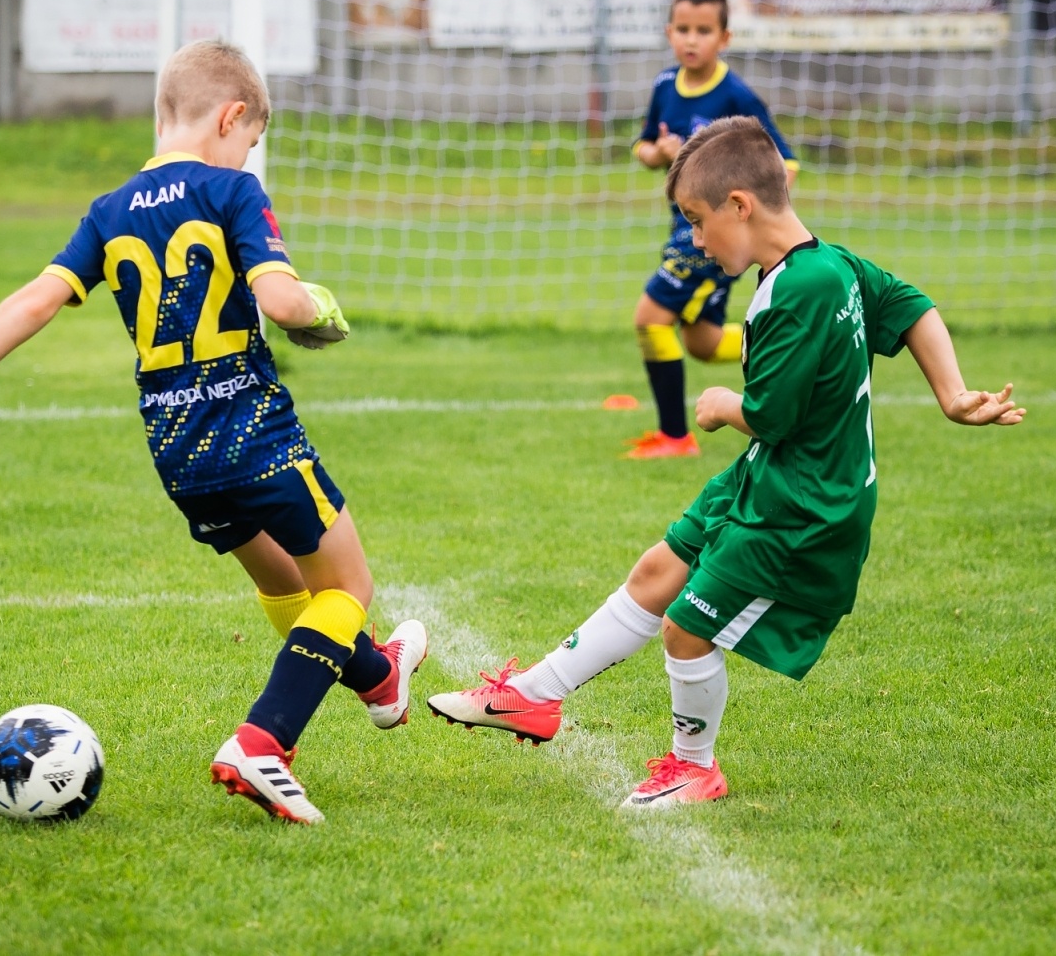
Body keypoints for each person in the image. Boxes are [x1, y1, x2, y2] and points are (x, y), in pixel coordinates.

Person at [0, 39, 427, 825]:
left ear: (160, 113)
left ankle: (379, 678)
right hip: (254, 430)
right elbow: (283, 303)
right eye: (252, 140)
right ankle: (263, 741)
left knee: (284, 583)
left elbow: (37, 299)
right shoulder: (233, 190)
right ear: (232, 117)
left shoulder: (109, 210)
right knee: (346, 590)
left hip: (178, 449)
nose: (249, 155)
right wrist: (320, 308)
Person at [429, 117, 1024, 806]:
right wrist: (950, 393)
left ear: (740, 204)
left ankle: (694, 768)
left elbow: (774, 414)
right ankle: (532, 697)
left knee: (687, 627)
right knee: (657, 571)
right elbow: (911, 306)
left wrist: (720, 403)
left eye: (697, 220)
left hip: (804, 503)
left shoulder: (803, 288)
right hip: (769, 475)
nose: (696, 240)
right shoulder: (827, 265)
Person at [625, 0, 799, 459]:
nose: (691, 39)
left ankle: (675, 438)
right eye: (683, 29)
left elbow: (785, 163)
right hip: (684, 226)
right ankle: (791, 344)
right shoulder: (665, 85)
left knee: (650, 319)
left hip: (710, 237)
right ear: (669, 32)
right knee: (702, 343)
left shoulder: (736, 96)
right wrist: (658, 153)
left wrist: (749, 212)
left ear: (724, 38)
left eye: (703, 31)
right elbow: (643, 144)